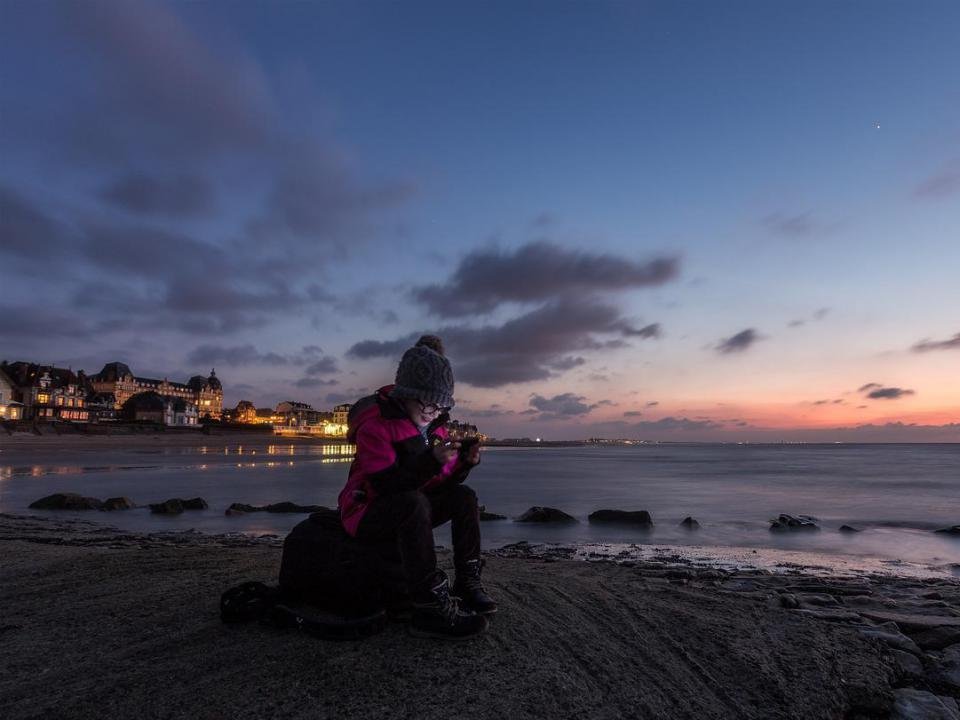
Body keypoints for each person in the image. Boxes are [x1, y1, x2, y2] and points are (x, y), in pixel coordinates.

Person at [337, 337, 496, 639]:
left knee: (464, 498)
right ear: (406, 394)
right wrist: (431, 463)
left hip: (408, 504)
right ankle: (426, 605)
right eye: (426, 401)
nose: (432, 410)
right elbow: (384, 485)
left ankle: (467, 580)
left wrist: (463, 464)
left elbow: (436, 482)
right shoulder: (376, 426)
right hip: (365, 510)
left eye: (440, 405)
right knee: (413, 503)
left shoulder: (434, 425)